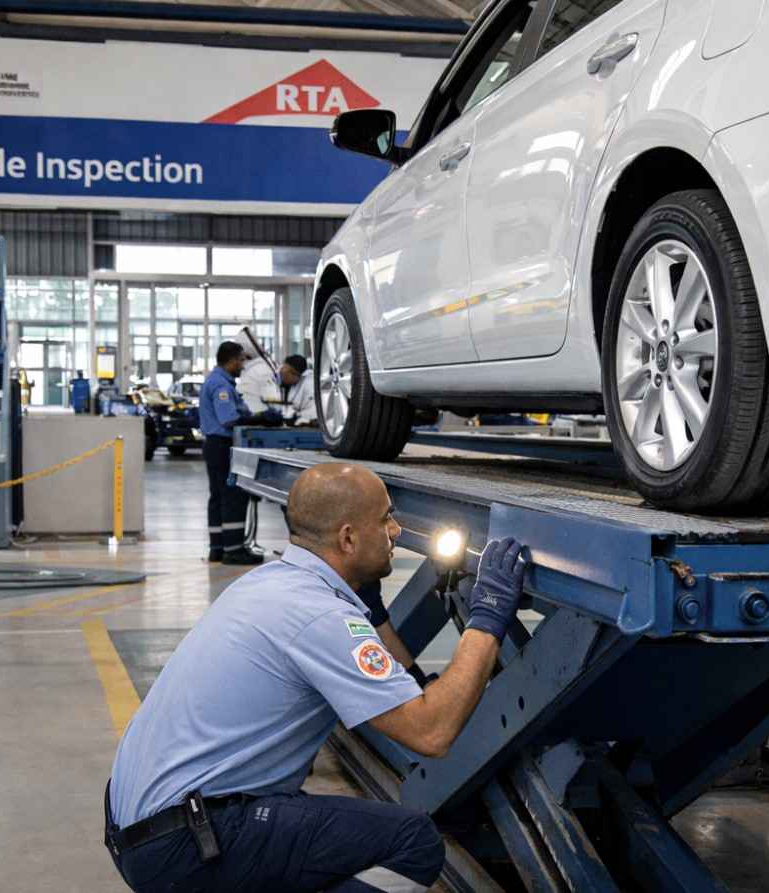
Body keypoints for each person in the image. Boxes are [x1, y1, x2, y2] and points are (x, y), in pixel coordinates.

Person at [105, 462, 528, 893]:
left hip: (141, 825)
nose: (396, 530)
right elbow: (431, 731)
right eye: (386, 518)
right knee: (413, 841)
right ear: (347, 538)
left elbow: (396, 672)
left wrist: (374, 614)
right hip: (183, 844)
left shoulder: (270, 584)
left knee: (313, 826)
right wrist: (488, 618)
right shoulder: (322, 616)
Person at [199, 341, 280, 565]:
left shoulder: (216, 380)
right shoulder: (221, 386)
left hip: (213, 445)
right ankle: (233, 550)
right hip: (222, 445)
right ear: (232, 360)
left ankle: (217, 547)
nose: (242, 366)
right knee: (232, 495)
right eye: (241, 361)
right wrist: (261, 419)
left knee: (217, 496)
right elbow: (228, 420)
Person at [279, 355, 317, 426]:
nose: (281, 372)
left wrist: (296, 416)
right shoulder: (292, 385)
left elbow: (315, 412)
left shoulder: (310, 384)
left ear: (295, 373)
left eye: (284, 371)